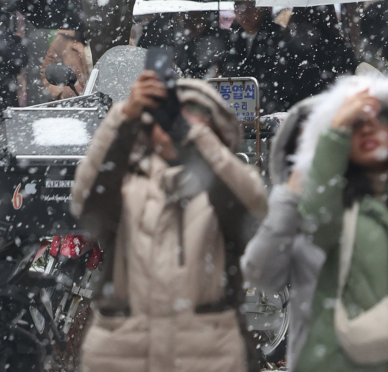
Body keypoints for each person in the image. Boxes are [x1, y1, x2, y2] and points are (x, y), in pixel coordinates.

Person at [243, 85, 388, 372]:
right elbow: (261, 273)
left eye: (378, 123)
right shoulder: (308, 214)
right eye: (353, 127)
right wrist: (291, 192)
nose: (367, 132)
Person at [70, 71, 269, 372]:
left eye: (196, 116)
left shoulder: (225, 182)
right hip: (124, 355)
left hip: (205, 356)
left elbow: (252, 209)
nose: (179, 124)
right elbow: (85, 201)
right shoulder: (124, 181)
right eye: (169, 114)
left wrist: (198, 141)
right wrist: (122, 118)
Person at [276, 5, 359, 111]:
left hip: (297, 111)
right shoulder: (338, 45)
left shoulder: (288, 45)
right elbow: (351, 77)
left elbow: (281, 86)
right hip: (331, 110)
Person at [224, 1, 291, 109]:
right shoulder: (230, 39)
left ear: (263, 9)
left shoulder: (277, 36)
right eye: (240, 7)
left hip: (270, 107)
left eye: (251, 6)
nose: (245, 13)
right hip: (237, 106)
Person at [41, 27, 90, 100]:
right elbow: (46, 71)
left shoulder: (106, 34)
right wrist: (62, 92)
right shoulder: (64, 38)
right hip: (75, 101)